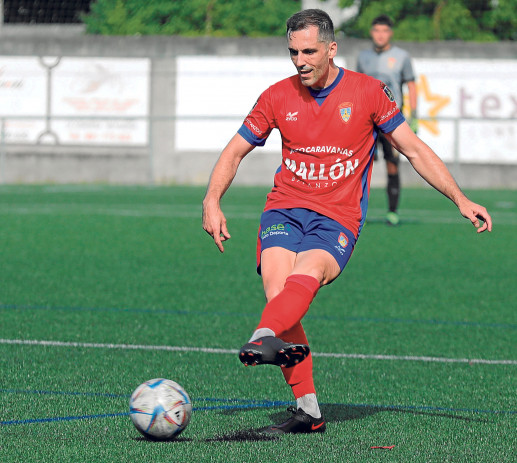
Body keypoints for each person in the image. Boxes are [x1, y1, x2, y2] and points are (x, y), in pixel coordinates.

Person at [201, 9, 491, 435]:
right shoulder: (276, 96)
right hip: (284, 208)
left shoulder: (369, 93)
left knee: (309, 274)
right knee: (279, 292)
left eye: (309, 51)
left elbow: (414, 149)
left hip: (337, 217)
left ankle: (265, 335)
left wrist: (460, 199)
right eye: (293, 52)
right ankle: (309, 410)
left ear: (331, 48)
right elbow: (234, 151)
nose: (300, 60)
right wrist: (212, 198)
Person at [357, 14, 417, 226]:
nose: (380, 35)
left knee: (392, 164)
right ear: (371, 32)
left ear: (390, 33)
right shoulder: (363, 57)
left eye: (384, 31)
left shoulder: (402, 56)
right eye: (376, 30)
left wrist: (414, 115)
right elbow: (357, 87)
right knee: (361, 165)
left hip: (391, 118)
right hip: (366, 120)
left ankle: (393, 211)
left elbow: (411, 84)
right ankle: (356, 212)